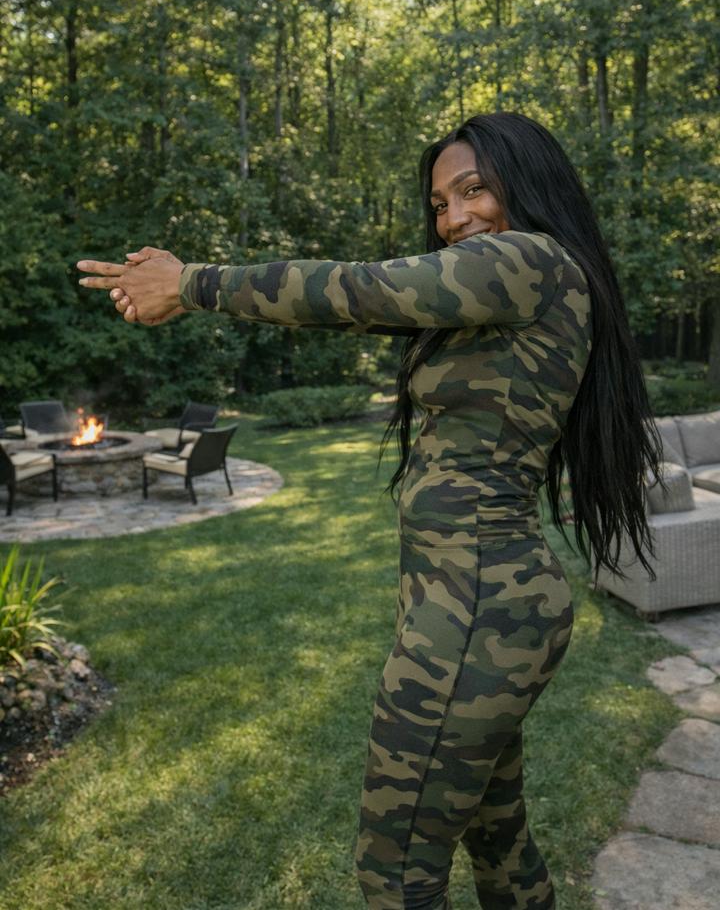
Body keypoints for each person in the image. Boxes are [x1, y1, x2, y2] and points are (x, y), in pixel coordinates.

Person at [77, 111, 664, 909]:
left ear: (527, 184)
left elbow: (358, 289)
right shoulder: (514, 286)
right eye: (440, 203)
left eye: (475, 190)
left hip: (478, 609)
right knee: (497, 834)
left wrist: (190, 283)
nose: (453, 217)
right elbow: (379, 305)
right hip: (476, 604)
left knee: (395, 870)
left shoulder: (529, 259)